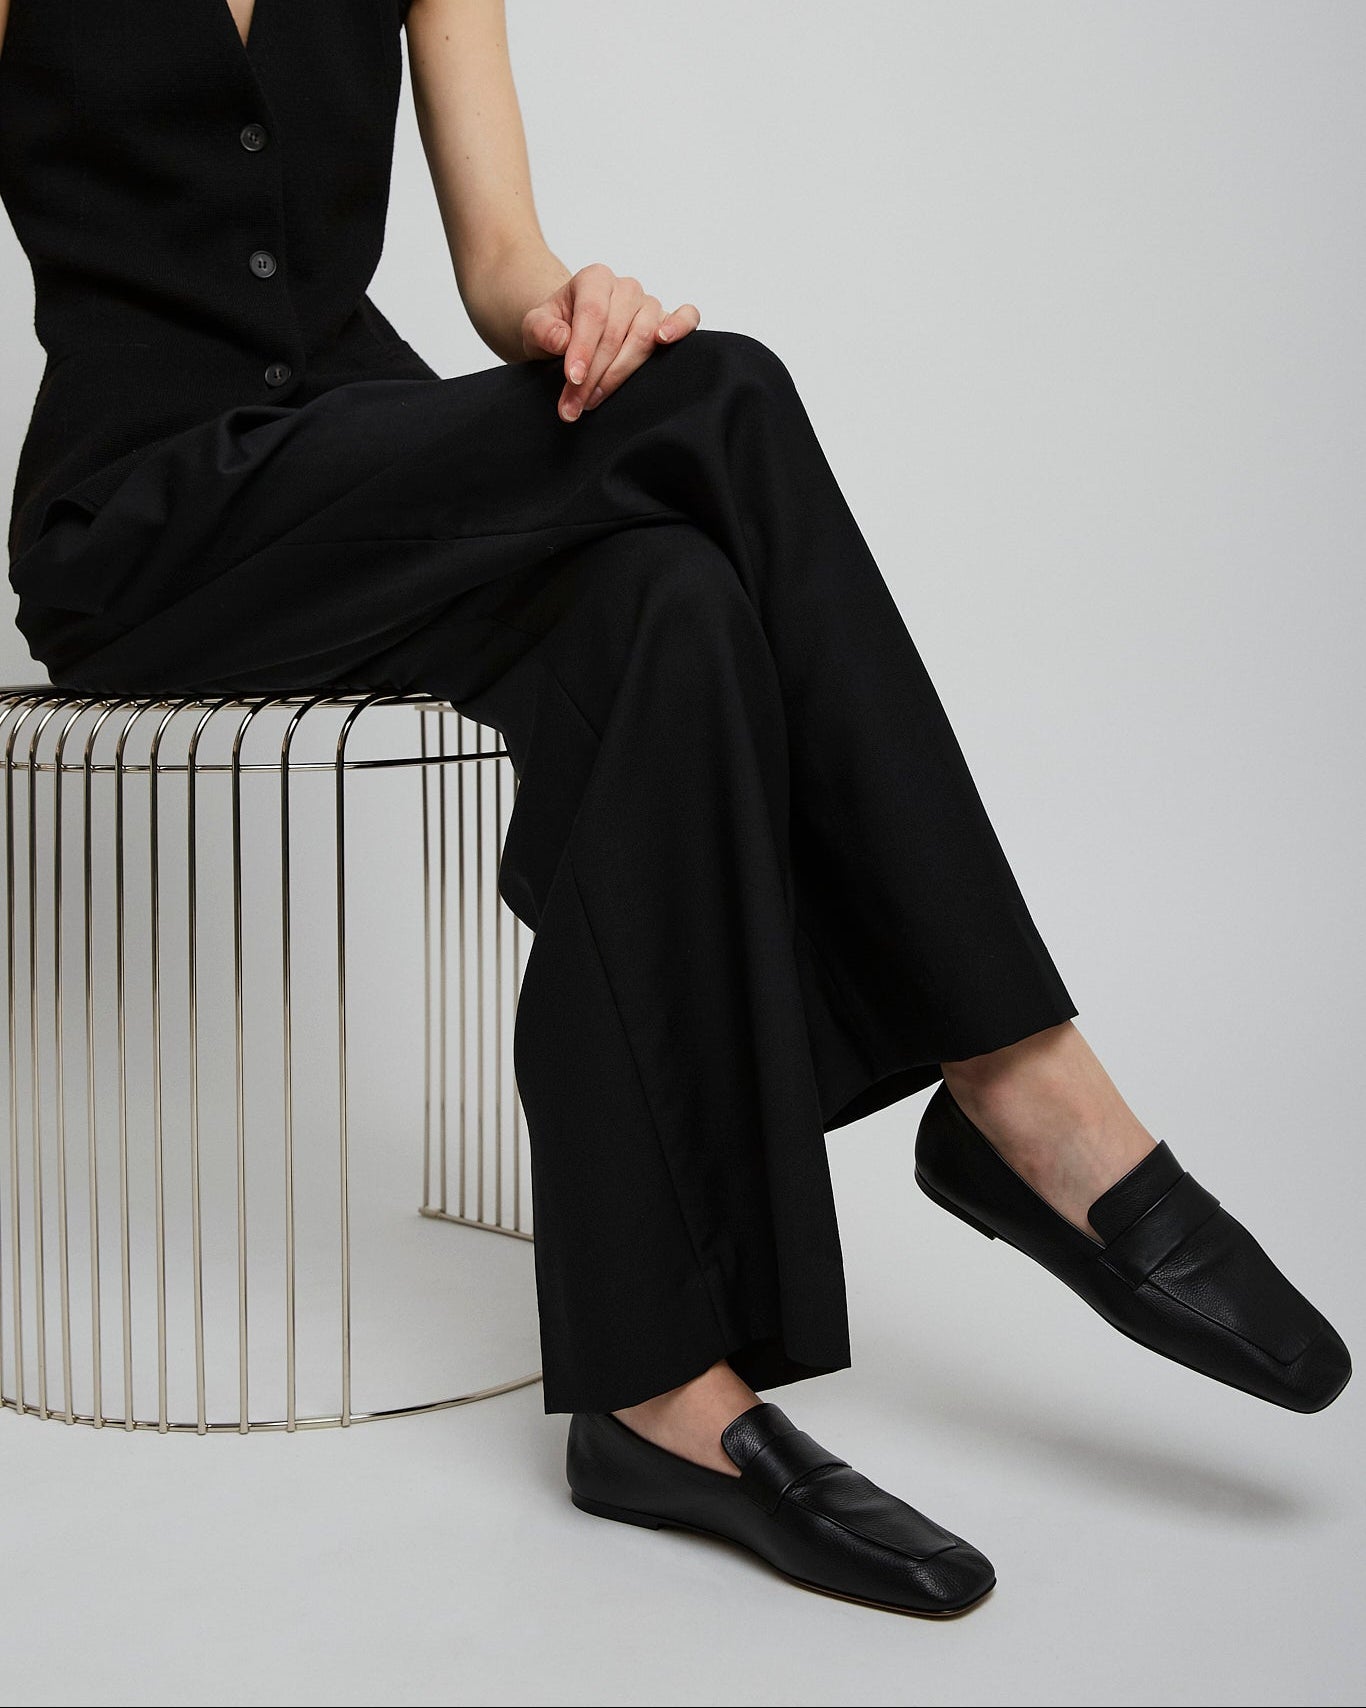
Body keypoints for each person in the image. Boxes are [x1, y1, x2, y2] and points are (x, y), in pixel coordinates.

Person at [0, 0, 1350, 1618]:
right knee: (727, 397)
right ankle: (1017, 1082)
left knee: (671, 604)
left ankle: (658, 1396)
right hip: (142, 522)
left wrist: (574, 309)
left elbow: (500, 261)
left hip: (363, 463)